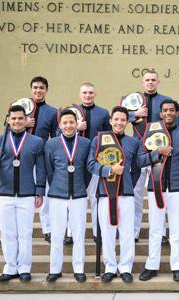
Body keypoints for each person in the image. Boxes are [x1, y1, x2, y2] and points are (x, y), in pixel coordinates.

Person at [87, 106, 156, 283]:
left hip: (125, 193)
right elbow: (90, 165)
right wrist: (110, 170)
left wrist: (156, 154)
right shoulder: (98, 140)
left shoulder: (133, 142)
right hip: (104, 193)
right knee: (107, 232)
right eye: (116, 119)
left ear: (127, 122)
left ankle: (125, 267)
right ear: (110, 121)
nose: (119, 122)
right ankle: (110, 267)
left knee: (126, 232)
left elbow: (138, 166)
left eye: (123, 120)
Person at [0, 105, 45, 282]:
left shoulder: (36, 141)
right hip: (4, 192)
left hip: (27, 193)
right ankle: (10, 267)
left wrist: (39, 191)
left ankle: (25, 268)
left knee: (25, 232)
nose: (17, 121)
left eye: (20, 118)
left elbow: (40, 169)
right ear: (8, 120)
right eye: (14, 118)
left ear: (26, 120)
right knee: (7, 232)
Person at [139, 99, 179, 282]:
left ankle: (177, 267)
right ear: (160, 114)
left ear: (177, 113)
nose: (168, 113)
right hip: (155, 186)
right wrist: (158, 153)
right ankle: (151, 266)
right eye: (165, 110)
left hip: (177, 187)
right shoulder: (150, 132)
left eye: (172, 110)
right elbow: (140, 160)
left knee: (177, 229)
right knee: (155, 228)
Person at [44, 109, 90, 283]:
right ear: (60, 125)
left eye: (71, 122)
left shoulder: (85, 143)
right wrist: (57, 185)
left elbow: (87, 171)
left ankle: (79, 269)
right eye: (65, 123)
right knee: (56, 234)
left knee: (79, 233)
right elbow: (49, 170)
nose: (68, 126)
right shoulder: (51, 144)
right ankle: (55, 269)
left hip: (78, 194)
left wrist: (80, 186)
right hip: (57, 194)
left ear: (76, 123)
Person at [64, 82, 111, 245]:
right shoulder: (70, 112)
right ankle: (70, 232)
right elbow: (60, 132)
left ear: (95, 94)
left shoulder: (103, 113)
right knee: (74, 197)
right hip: (74, 159)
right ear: (80, 94)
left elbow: (107, 137)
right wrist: (76, 127)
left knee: (96, 197)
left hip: (95, 161)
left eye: (91, 92)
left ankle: (98, 232)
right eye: (84, 92)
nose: (87, 95)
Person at [130, 70, 172, 244]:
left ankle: (161, 232)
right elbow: (119, 119)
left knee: (158, 194)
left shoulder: (165, 101)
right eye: (147, 80)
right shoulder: (132, 101)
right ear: (142, 82)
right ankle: (134, 232)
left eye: (153, 80)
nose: (150, 82)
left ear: (158, 82)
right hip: (138, 153)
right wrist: (134, 115)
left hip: (158, 155)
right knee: (136, 194)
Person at [26, 76, 58, 244]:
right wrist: (24, 123)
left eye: (41, 88)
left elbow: (55, 136)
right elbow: (8, 128)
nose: (38, 90)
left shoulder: (53, 112)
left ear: (46, 90)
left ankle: (48, 229)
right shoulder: (20, 107)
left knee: (43, 194)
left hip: (41, 158)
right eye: (35, 87)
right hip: (21, 157)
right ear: (31, 89)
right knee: (23, 196)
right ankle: (22, 231)